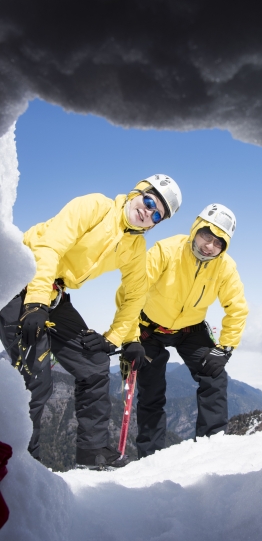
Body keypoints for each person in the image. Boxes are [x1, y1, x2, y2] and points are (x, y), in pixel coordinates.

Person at [0, 174, 182, 470]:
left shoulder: (134, 248)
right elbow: (48, 247)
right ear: (138, 192)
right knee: (35, 381)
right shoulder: (95, 207)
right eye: (149, 202)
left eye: (157, 214)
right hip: (24, 281)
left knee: (96, 363)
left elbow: (135, 296)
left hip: (55, 293)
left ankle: (92, 452)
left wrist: (118, 338)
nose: (148, 212)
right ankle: (22, 465)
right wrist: (35, 302)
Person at [119, 203, 248, 458]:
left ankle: (211, 447)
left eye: (218, 242)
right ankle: (150, 456)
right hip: (149, 328)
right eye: (206, 236)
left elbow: (237, 308)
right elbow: (131, 291)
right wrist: (130, 338)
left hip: (191, 329)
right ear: (196, 229)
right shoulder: (166, 251)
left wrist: (225, 348)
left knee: (214, 374)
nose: (209, 246)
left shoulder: (225, 268)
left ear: (224, 247)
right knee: (151, 391)